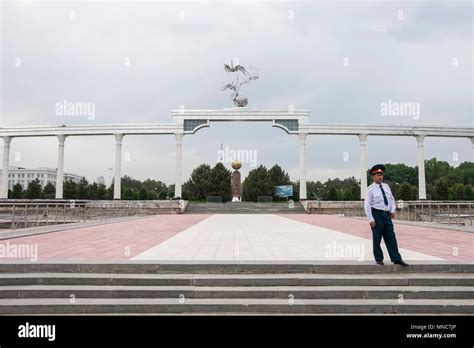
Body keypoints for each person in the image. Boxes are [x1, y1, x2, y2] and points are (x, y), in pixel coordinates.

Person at [364, 164, 409, 266]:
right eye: (378, 175)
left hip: (387, 216)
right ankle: (379, 259)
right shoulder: (370, 189)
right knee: (377, 238)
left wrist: (392, 210)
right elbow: (367, 206)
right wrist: (370, 219)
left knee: (391, 238)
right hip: (377, 215)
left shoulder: (386, 186)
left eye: (381, 175)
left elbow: (392, 199)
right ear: (373, 176)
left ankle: (397, 258)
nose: (380, 176)